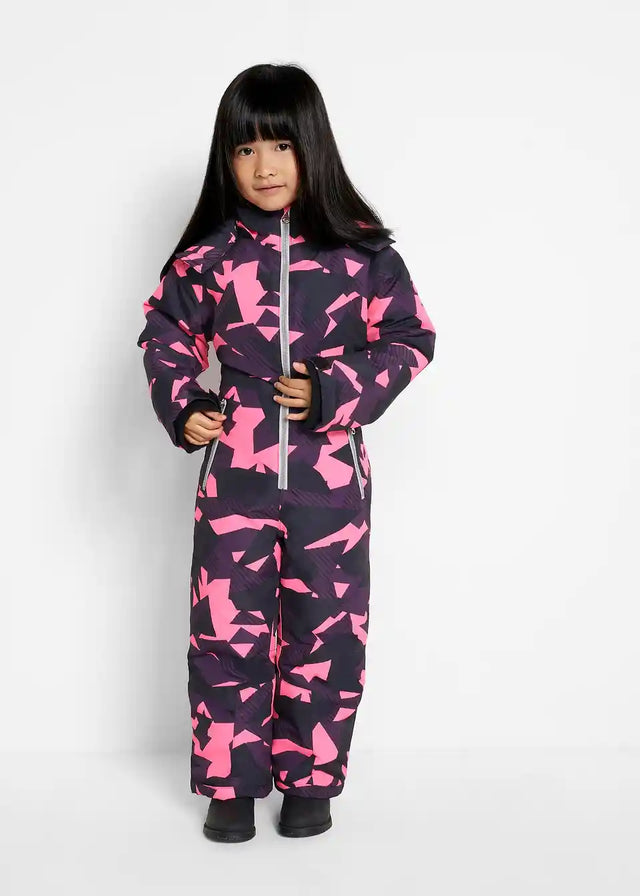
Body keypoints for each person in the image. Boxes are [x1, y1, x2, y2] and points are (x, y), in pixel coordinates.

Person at [136, 62, 436, 843]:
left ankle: (311, 782)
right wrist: (186, 405)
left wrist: (335, 389)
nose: (263, 166)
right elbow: (166, 335)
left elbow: (411, 338)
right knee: (224, 633)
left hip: (330, 484)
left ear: (313, 147)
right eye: (245, 149)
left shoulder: (362, 253)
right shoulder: (210, 255)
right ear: (226, 158)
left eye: (280, 146)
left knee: (327, 632)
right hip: (234, 480)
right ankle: (229, 787)